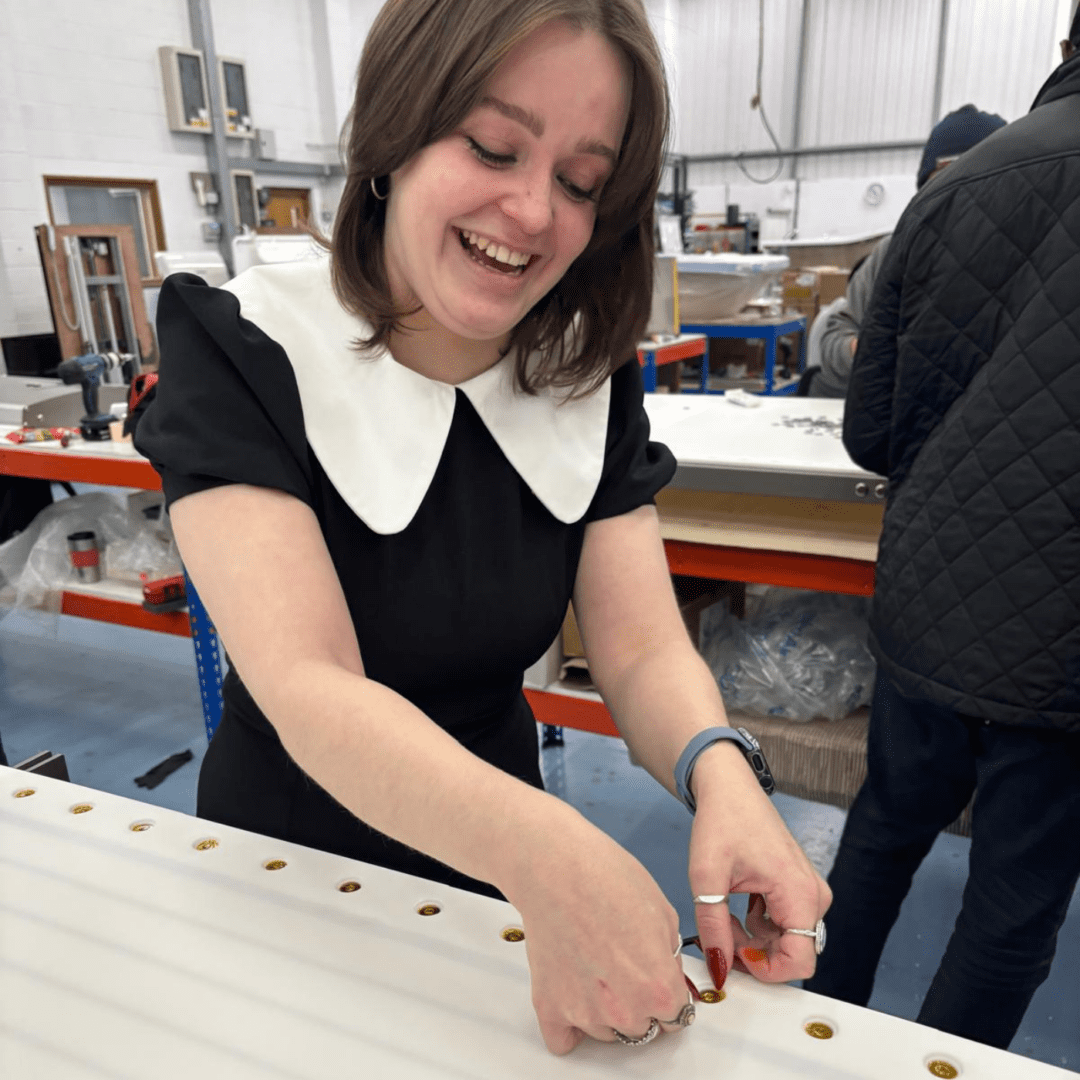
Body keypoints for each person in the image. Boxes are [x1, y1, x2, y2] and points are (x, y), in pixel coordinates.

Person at [133, 0, 829, 1056]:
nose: (533, 211)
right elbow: (311, 685)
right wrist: (550, 851)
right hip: (293, 868)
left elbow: (638, 647)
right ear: (397, 130)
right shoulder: (248, 344)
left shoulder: (582, 372)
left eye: (581, 183)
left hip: (498, 881)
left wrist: (721, 777)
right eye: (495, 146)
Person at [804, 8, 1080, 1051]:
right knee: (1012, 908)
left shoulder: (959, 186)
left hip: (931, 602)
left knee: (878, 838)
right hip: (1065, 651)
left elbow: (872, 430)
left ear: (1063, 47)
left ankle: (799, 1043)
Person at [801, 104, 1006, 399]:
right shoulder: (893, 255)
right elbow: (836, 337)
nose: (962, 191)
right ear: (924, 187)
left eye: (979, 174)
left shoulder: (1030, 259)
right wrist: (864, 351)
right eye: (946, 176)